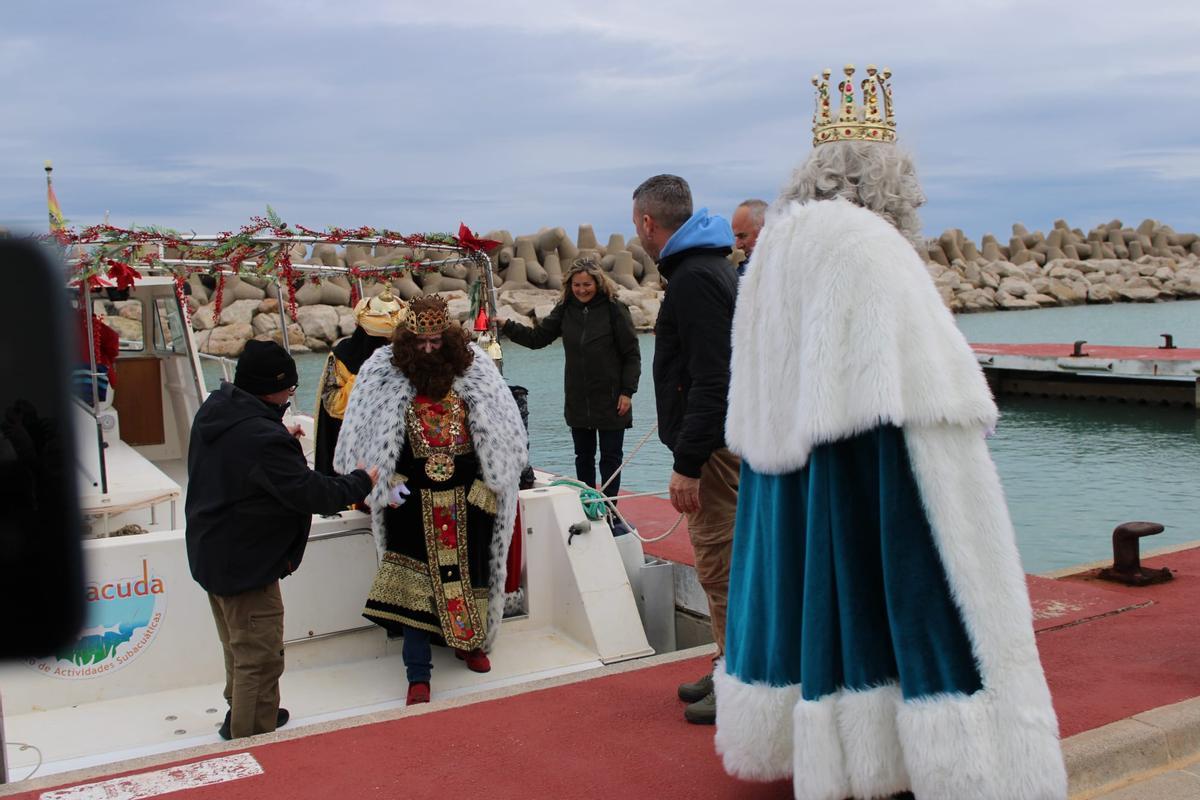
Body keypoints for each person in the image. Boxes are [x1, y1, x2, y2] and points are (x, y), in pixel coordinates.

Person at [713, 101, 1068, 796]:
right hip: (875, 470)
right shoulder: (870, 248)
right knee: (918, 615)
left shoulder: (773, 252)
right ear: (890, 183)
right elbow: (925, 397)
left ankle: (840, 759)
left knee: (823, 607)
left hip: (800, 481)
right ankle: (960, 763)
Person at [334, 295, 526, 706]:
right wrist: (385, 482)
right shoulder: (380, 370)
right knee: (412, 587)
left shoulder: (477, 368)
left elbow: (502, 433)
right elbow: (361, 436)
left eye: (435, 342)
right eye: (419, 342)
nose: (427, 350)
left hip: (468, 495)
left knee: (472, 575)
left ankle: (469, 643)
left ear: (448, 338)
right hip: (410, 497)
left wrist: (487, 482)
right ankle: (417, 673)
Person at [185, 339, 377, 740]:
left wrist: (276, 432)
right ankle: (252, 735)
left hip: (212, 553)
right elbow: (312, 493)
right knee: (260, 657)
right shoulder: (261, 438)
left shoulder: (217, 409)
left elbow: (245, 459)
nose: (292, 395)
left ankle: (243, 711)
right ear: (270, 389)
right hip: (245, 565)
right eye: (289, 389)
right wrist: (362, 480)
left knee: (237, 649)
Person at [631, 174, 739, 725]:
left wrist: (687, 464)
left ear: (648, 222)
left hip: (714, 454)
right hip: (720, 446)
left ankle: (740, 683)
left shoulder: (694, 278)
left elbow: (711, 381)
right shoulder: (710, 265)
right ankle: (728, 664)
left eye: (637, 226)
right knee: (723, 563)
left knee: (721, 566)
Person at [501, 257, 641, 531]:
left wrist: (628, 392)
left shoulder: (615, 309)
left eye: (587, 284)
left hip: (613, 399)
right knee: (583, 457)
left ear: (598, 283)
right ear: (569, 286)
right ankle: (588, 505)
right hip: (578, 399)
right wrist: (507, 326)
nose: (582, 290)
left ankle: (611, 510)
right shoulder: (565, 309)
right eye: (576, 285)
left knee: (611, 459)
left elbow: (632, 355)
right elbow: (538, 339)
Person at [313, 287, 406, 476]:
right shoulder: (342, 357)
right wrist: (364, 379)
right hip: (356, 442)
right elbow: (333, 404)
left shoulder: (406, 355)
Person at [730, 198, 767, 277]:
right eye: (736, 237)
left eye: (742, 236)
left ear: (763, 230)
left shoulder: (789, 269)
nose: (737, 245)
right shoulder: (744, 270)